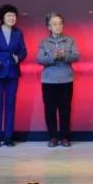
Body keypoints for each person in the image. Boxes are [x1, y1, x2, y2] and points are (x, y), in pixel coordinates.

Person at [0, 4, 27, 148]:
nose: (12, 18)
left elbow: (23, 50)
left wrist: (18, 57)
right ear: (2, 17)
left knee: (10, 105)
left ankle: (8, 137)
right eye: (9, 16)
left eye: (14, 16)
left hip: (13, 72)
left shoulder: (18, 33)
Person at [36, 12, 80, 148]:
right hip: (49, 81)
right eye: (54, 24)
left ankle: (65, 137)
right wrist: (53, 57)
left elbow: (76, 56)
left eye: (60, 23)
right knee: (50, 110)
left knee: (65, 110)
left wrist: (65, 55)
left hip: (66, 80)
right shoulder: (44, 42)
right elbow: (39, 59)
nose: (58, 26)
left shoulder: (70, 40)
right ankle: (53, 137)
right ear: (49, 27)